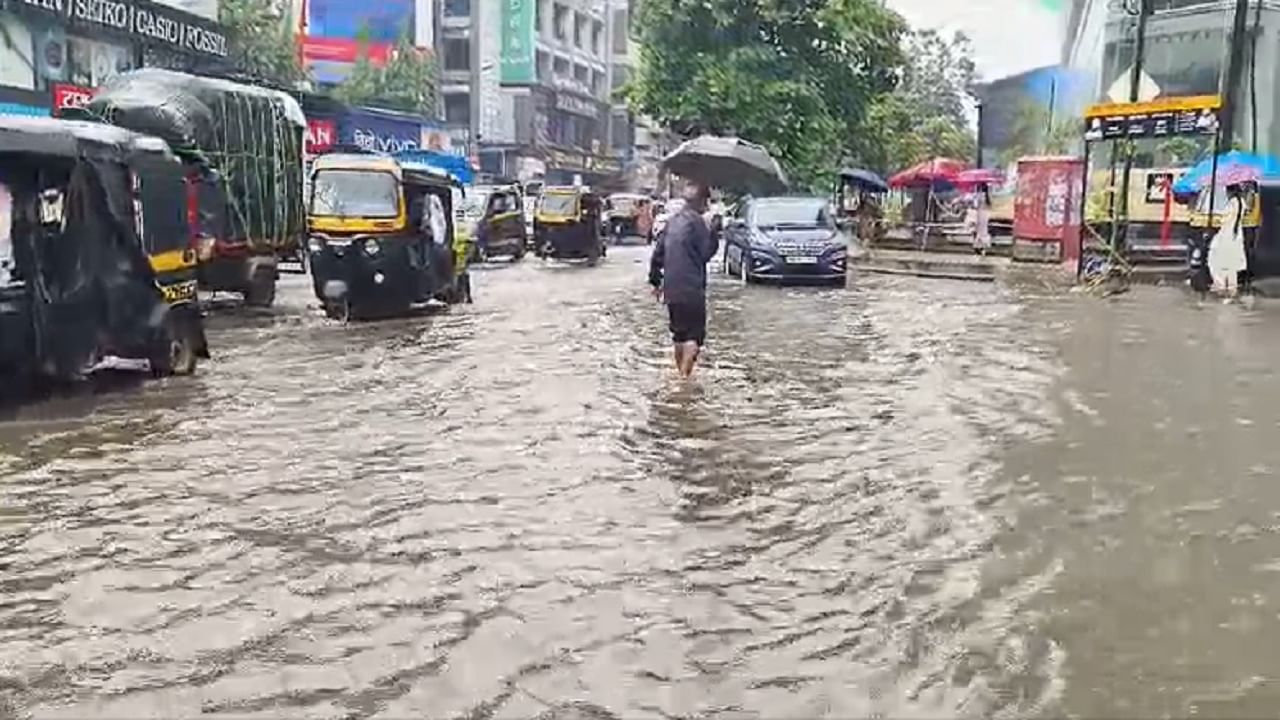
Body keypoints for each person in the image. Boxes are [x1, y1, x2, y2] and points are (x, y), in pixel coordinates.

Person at [649, 183, 718, 378]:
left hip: (671, 290)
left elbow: (657, 256)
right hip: (692, 290)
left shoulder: (672, 222)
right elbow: (705, 254)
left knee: (679, 336)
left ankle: (680, 372)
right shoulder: (698, 223)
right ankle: (683, 379)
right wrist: (713, 231)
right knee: (694, 337)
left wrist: (655, 282)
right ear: (703, 202)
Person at [1208, 182, 1248, 299]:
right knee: (1231, 265)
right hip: (1236, 236)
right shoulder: (1242, 202)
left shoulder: (1232, 203)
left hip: (1227, 235)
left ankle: (1221, 287)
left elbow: (1224, 220)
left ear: (1230, 191)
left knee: (1216, 261)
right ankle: (1231, 290)